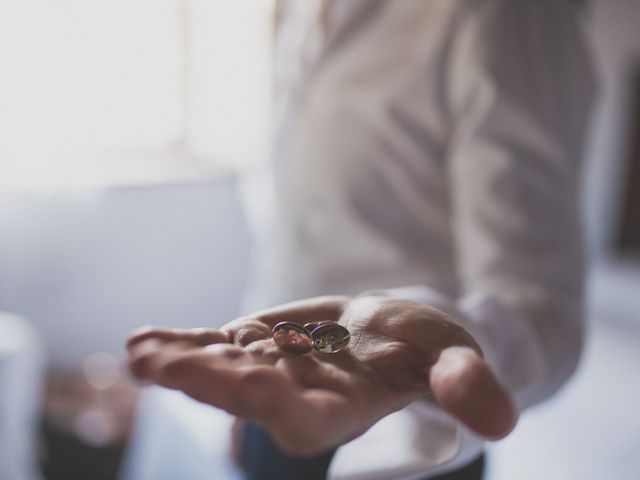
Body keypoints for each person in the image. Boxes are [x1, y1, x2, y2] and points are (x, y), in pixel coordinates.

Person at [126, 1, 596, 479]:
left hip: (409, 432)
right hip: (276, 394)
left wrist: (443, 348)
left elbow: (539, 303)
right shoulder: (298, 11)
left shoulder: (508, 15)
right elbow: (294, 228)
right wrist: (248, 398)